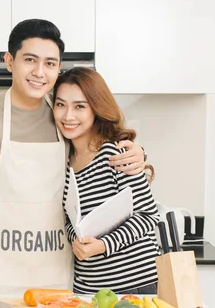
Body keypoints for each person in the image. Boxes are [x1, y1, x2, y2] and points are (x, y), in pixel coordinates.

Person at [0, 19, 146, 294]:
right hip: (2, 276)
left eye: (50, 63)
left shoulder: (62, 117)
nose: (40, 72)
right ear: (10, 61)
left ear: (58, 68)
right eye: (30, 60)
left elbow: (98, 145)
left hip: (61, 276)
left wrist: (137, 151)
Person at [53, 66, 160, 295]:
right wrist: (77, 240)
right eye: (60, 104)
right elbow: (71, 221)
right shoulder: (62, 160)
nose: (67, 116)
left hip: (135, 286)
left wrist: (102, 245)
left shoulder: (116, 154)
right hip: (88, 289)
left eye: (79, 106)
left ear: (96, 109)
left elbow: (148, 216)